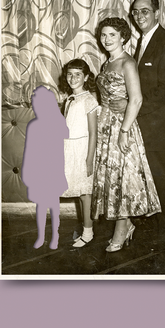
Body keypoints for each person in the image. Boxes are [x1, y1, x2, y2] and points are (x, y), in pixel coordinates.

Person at [91, 17, 161, 253]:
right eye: (103, 35)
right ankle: (127, 224)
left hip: (123, 127)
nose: (107, 39)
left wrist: (123, 132)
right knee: (114, 179)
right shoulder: (106, 64)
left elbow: (137, 99)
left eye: (112, 34)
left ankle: (121, 231)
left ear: (122, 37)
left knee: (124, 181)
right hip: (105, 125)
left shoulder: (127, 63)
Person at [130, 0, 165, 251]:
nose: (139, 17)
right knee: (153, 180)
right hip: (146, 125)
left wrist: (133, 108)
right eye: (136, 12)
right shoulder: (142, 42)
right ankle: (158, 232)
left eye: (145, 12)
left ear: (157, 13)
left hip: (162, 127)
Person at [58, 59, 99, 248]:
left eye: (78, 75)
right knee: (78, 190)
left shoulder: (89, 99)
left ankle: (88, 232)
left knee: (85, 193)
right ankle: (85, 228)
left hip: (83, 149)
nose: (73, 78)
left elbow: (93, 132)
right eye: (70, 74)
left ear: (86, 77)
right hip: (70, 149)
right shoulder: (69, 99)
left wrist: (89, 159)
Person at [21, 85, 69, 249]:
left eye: (40, 104)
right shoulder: (33, 125)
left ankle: (55, 235)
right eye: (35, 105)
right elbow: (29, 150)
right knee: (40, 205)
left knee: (54, 204)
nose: (37, 108)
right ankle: (41, 236)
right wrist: (27, 172)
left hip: (54, 170)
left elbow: (66, 140)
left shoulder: (58, 122)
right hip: (39, 171)